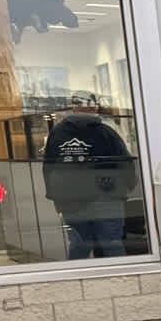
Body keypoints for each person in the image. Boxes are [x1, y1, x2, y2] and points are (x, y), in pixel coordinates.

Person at [42, 96, 137, 259]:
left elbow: (48, 167)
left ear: (74, 108)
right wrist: (128, 186)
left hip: (70, 199)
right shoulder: (106, 132)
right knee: (111, 244)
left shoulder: (57, 133)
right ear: (94, 109)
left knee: (79, 244)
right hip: (106, 196)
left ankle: (78, 279)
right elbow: (125, 162)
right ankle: (120, 279)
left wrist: (55, 197)